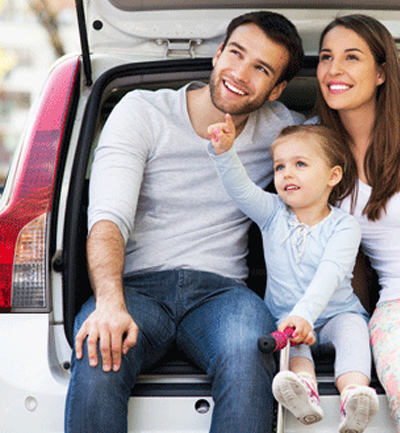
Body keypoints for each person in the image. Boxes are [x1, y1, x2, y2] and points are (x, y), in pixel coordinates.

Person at [64, 11, 305, 433]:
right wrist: (108, 302)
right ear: (216, 55)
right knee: (97, 347)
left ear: (276, 90)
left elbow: (343, 148)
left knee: (252, 351)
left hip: (223, 295)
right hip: (136, 290)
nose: (240, 73)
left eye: (261, 69)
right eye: (236, 54)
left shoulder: (281, 129)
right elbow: (108, 218)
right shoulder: (142, 111)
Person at [208, 120, 379, 432]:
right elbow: (241, 189)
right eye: (279, 166)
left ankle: (353, 395)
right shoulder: (273, 214)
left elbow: (331, 272)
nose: (287, 173)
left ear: (333, 176)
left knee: (354, 330)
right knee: (293, 346)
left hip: (337, 313)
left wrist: (305, 315)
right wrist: (224, 152)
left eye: (300, 164)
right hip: (288, 319)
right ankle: (304, 391)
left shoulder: (344, 226)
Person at [314, 13, 400, 432]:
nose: (334, 70)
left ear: (382, 72)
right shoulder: (311, 148)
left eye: (352, 57)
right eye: (326, 57)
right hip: (395, 307)